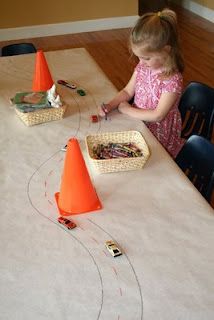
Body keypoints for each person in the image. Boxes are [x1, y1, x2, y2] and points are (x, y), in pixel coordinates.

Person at [99, 8, 185, 158]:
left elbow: (158, 115)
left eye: (146, 58)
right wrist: (111, 105)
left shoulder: (172, 80)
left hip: (159, 133)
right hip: (139, 122)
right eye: (139, 57)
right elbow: (127, 92)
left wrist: (126, 110)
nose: (141, 62)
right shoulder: (143, 68)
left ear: (166, 50)